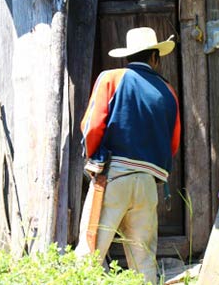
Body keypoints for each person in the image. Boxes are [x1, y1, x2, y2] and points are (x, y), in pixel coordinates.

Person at [76, 27, 181, 284]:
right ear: (155, 58)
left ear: (129, 56)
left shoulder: (111, 78)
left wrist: (93, 158)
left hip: (113, 177)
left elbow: (91, 127)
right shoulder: (168, 92)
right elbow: (174, 143)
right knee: (143, 261)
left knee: (89, 253)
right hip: (147, 184)